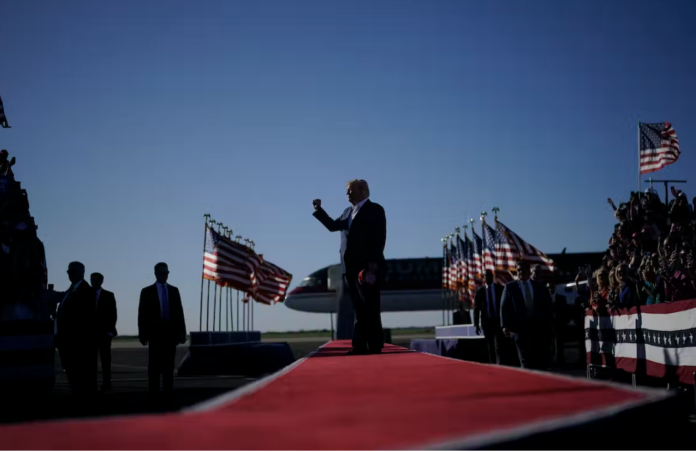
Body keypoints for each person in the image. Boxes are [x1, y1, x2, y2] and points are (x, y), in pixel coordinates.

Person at [312, 179, 387, 354]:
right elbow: (333, 226)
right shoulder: (348, 212)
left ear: (361, 191)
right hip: (349, 266)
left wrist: (372, 266)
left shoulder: (375, 209)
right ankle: (359, 346)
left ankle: (375, 345)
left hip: (367, 267)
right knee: (359, 308)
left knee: (370, 305)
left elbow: (379, 237)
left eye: (349, 190)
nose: (347, 193)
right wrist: (319, 210)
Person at [138, 262, 187, 395]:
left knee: (169, 366)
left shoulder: (174, 291)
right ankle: (153, 393)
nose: (165, 275)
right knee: (154, 366)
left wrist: (182, 333)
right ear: (156, 274)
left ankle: (167, 392)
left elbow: (179, 313)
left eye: (166, 273)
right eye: (162, 273)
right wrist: (142, 334)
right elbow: (142, 314)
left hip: (170, 334)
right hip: (155, 334)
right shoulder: (147, 292)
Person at [54, 261, 98, 398]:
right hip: (68, 343)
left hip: (77, 346)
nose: (70, 275)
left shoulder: (86, 291)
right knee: (74, 379)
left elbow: (85, 320)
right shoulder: (70, 291)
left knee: (81, 380)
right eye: (69, 272)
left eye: (73, 272)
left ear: (82, 273)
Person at [500, 261, 554, 370]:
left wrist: (549, 325)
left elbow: (547, 307)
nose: (520, 272)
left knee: (539, 362)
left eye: (523, 269)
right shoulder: (510, 287)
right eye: (518, 270)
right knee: (525, 361)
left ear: (529, 271)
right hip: (520, 330)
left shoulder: (539, 286)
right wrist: (504, 325)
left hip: (538, 330)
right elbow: (504, 307)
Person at [91, 272, 117, 392]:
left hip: (104, 334)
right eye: (92, 280)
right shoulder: (86, 295)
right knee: (91, 362)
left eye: (96, 280)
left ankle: (107, 383)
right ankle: (92, 385)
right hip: (90, 334)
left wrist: (110, 330)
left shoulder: (108, 295)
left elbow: (113, 314)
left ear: (101, 281)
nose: (93, 282)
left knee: (105, 360)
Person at [473, 270, 505, 365]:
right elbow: (476, 308)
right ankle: (493, 365)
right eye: (486, 276)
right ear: (483, 277)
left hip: (498, 321)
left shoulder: (500, 289)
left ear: (492, 276)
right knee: (490, 346)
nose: (488, 277)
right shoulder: (480, 291)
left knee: (499, 346)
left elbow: (505, 306)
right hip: (487, 322)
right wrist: (476, 324)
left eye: (489, 275)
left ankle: (500, 365)